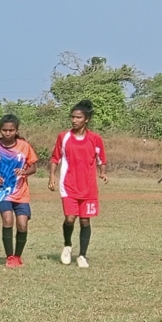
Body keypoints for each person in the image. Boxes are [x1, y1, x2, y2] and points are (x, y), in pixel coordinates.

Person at [48, 100, 107, 268]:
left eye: (78, 117)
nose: (74, 120)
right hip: (68, 185)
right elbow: (55, 158)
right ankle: (67, 245)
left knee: (85, 221)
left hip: (88, 187)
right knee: (70, 218)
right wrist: (52, 176)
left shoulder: (95, 139)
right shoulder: (63, 137)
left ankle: (82, 255)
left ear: (86, 119)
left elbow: (101, 159)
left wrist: (102, 173)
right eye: (72, 117)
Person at [0, 116, 37, 267]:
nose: (8, 133)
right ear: (0, 130)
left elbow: (33, 167)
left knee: (22, 224)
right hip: (2, 191)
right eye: (4, 130)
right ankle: (9, 257)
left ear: (16, 130)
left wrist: (24, 172)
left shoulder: (24, 146)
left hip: (21, 191)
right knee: (8, 219)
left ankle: (18, 256)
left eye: (11, 130)